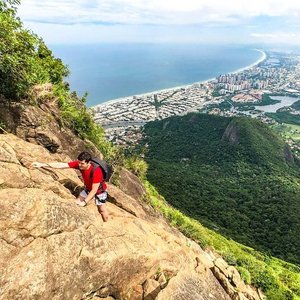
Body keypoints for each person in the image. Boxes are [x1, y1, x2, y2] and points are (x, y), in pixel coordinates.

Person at [31, 151, 109, 222]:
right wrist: (41, 164)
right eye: (79, 162)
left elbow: (94, 190)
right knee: (76, 203)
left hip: (99, 191)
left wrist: (85, 202)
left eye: (82, 164)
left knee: (101, 210)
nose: (79, 165)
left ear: (88, 163)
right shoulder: (79, 164)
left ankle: (106, 223)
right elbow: (61, 165)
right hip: (88, 188)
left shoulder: (97, 171)